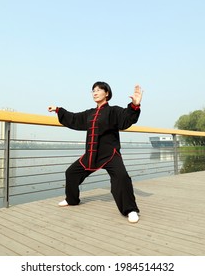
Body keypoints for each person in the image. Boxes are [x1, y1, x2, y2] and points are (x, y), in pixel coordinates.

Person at [48, 81, 143, 223]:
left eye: (99, 90)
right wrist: (58, 110)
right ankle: (72, 200)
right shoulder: (89, 113)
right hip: (92, 154)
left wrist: (135, 106)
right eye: (93, 90)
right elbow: (74, 118)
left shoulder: (113, 111)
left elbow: (126, 118)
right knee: (71, 173)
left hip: (110, 154)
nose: (95, 92)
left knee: (122, 178)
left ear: (107, 94)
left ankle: (131, 210)